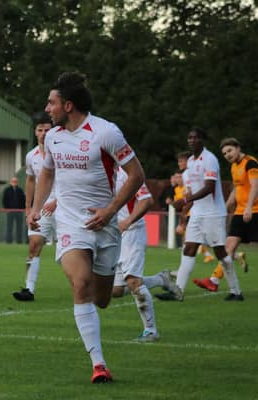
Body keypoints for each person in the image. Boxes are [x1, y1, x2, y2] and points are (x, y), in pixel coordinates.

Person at [28, 72, 144, 383]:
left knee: (102, 298)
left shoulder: (106, 133)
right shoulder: (52, 137)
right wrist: (36, 208)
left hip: (104, 226)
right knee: (80, 285)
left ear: (68, 105)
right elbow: (47, 174)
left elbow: (136, 175)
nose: (46, 108)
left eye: (51, 103)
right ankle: (99, 364)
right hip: (69, 222)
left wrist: (110, 211)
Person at [155, 128, 242, 301]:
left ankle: (236, 291)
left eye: (196, 137)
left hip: (213, 214)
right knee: (189, 249)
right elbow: (193, 193)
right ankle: (177, 291)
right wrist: (185, 210)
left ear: (202, 140)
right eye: (190, 137)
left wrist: (186, 200)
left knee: (220, 252)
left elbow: (209, 188)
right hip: (197, 213)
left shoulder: (210, 160)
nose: (192, 140)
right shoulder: (192, 163)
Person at [111, 167, 174, 342]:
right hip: (113, 235)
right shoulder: (100, 171)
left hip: (132, 232)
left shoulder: (127, 174)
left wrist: (127, 221)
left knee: (133, 282)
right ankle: (162, 279)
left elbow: (146, 201)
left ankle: (151, 331)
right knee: (115, 291)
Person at [193, 137, 255, 293]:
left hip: (254, 211)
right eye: (224, 153)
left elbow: (256, 185)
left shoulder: (251, 163)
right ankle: (214, 280)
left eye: (230, 151)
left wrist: (248, 207)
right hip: (240, 213)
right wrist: (225, 206)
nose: (227, 155)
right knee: (228, 247)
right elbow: (236, 189)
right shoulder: (234, 166)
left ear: (238, 148)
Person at [12, 113, 55, 301]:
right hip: (42, 209)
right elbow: (30, 181)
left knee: (74, 252)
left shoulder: (62, 153)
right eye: (40, 130)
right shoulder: (31, 156)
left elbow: (72, 181)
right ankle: (29, 289)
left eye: (48, 129)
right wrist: (29, 208)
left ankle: (88, 286)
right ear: (35, 132)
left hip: (66, 208)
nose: (44, 133)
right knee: (34, 245)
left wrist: (57, 201)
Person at [2, 177, 26, 244]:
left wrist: (22, 209)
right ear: (10, 182)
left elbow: (23, 200)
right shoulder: (7, 190)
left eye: (15, 181)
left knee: (19, 227)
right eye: (13, 181)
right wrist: (6, 209)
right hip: (10, 211)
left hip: (19, 212)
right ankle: (8, 241)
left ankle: (19, 241)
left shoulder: (20, 190)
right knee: (9, 227)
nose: (14, 182)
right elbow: (4, 200)